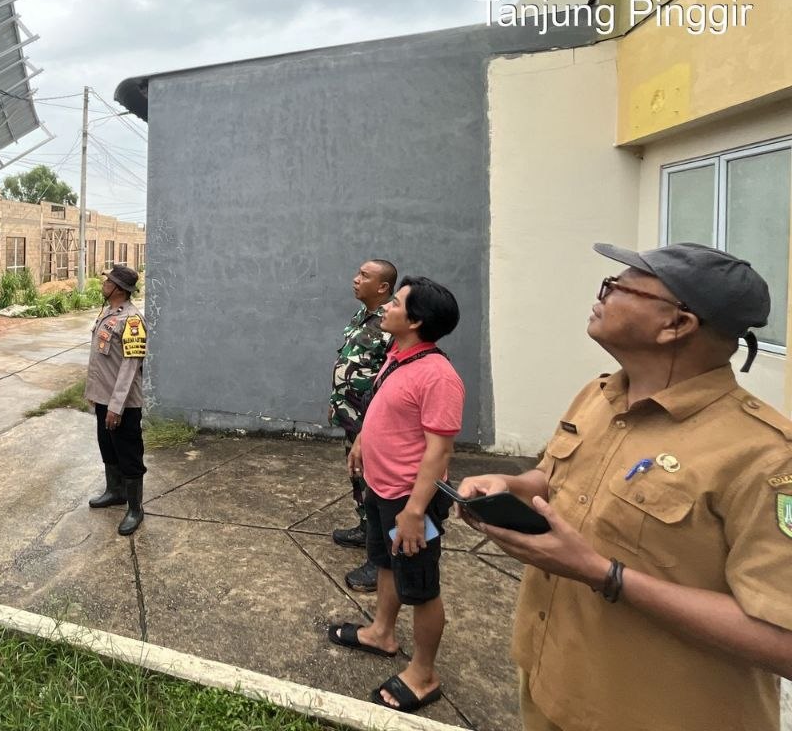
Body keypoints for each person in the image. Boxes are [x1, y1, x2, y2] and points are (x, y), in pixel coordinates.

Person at [459, 242, 792, 731]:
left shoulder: (765, 455)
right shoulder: (598, 395)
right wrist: (509, 484)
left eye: (619, 287)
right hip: (551, 684)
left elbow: (782, 641)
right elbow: (550, 479)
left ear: (676, 324)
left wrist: (602, 573)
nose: (602, 295)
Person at [326, 276, 464, 714]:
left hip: (410, 500)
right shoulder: (399, 355)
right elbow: (382, 405)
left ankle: (424, 673)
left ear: (416, 320)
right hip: (381, 490)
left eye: (398, 302)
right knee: (384, 563)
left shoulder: (439, 376)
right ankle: (381, 632)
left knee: (422, 588)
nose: (387, 306)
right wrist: (363, 439)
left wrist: (414, 511)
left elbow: (439, 449)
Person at [328, 258, 397, 593]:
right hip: (351, 415)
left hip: (374, 421)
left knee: (377, 485)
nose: (356, 280)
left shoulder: (392, 321)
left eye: (364, 276)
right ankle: (365, 528)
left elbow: (389, 375)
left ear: (383, 287)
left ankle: (379, 557)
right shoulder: (362, 316)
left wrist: (373, 423)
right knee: (358, 475)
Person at [84, 264, 148, 536]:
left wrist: (115, 406)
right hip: (103, 398)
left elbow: (130, 367)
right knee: (108, 447)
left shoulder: (132, 321)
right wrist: (98, 398)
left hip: (122, 404)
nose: (103, 284)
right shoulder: (110, 313)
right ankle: (115, 491)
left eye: (108, 282)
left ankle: (135, 509)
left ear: (119, 289)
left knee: (129, 455)